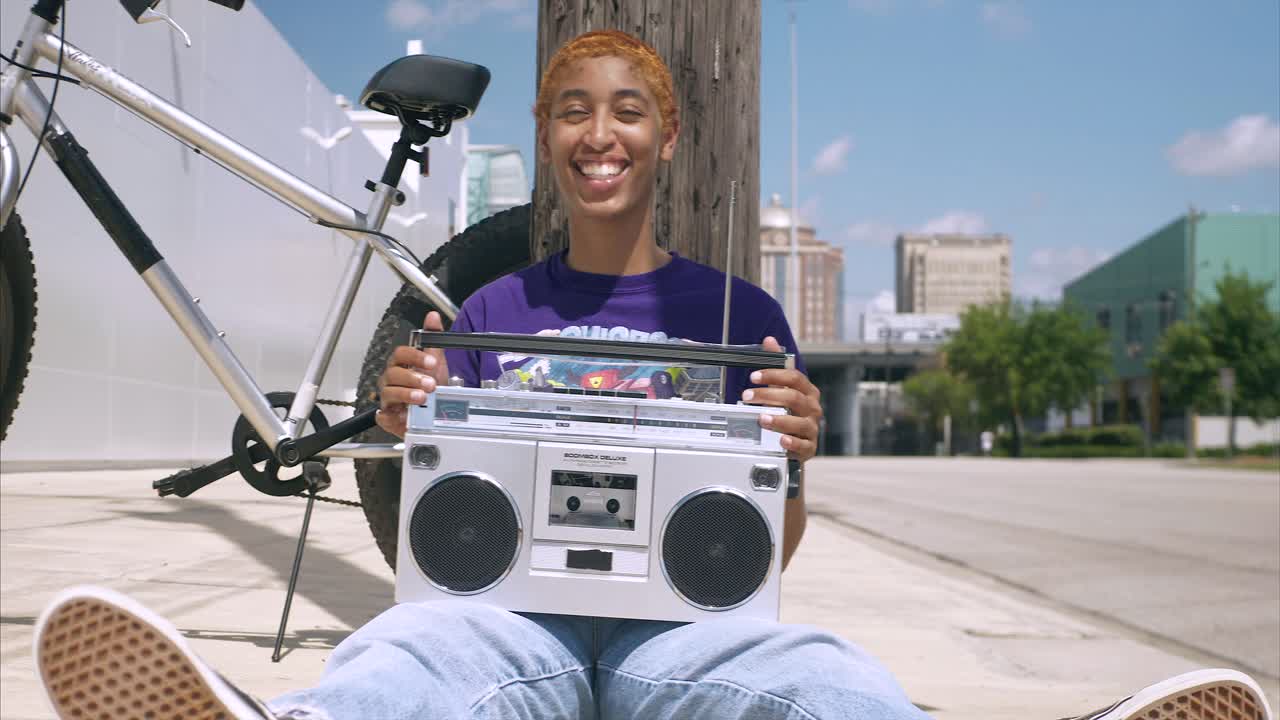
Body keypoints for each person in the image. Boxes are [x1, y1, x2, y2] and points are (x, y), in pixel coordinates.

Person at [31, 30, 1274, 720]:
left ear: (664, 137)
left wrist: (791, 461)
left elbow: (766, 555)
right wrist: (405, 433)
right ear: (550, 136)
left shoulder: (741, 317)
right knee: (407, 663)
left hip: (674, 628)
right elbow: (439, 532)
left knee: (810, 677)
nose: (598, 133)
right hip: (504, 620)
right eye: (571, 109)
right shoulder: (484, 308)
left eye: (626, 109)